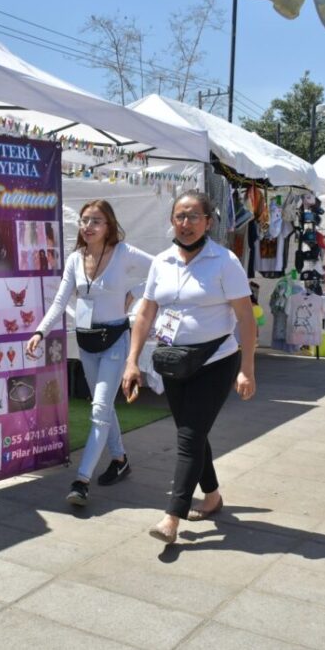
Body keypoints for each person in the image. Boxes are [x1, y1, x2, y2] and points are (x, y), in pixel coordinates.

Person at [121, 190, 257, 545]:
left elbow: (246, 317)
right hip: (174, 362)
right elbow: (146, 312)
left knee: (190, 436)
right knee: (191, 433)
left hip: (216, 361)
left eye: (194, 216)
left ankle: (172, 516)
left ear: (208, 222)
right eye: (180, 216)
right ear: (172, 220)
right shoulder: (162, 261)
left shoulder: (224, 261)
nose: (186, 223)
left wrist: (247, 368)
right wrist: (132, 361)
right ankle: (212, 496)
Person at [26, 200, 152, 506]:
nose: (88, 226)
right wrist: (40, 331)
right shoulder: (75, 259)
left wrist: (136, 293)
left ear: (109, 225)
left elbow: (162, 270)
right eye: (84, 220)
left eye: (96, 221)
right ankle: (120, 459)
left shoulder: (123, 253)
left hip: (115, 340)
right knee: (102, 406)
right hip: (87, 341)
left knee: (99, 409)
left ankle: (81, 481)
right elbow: (60, 301)